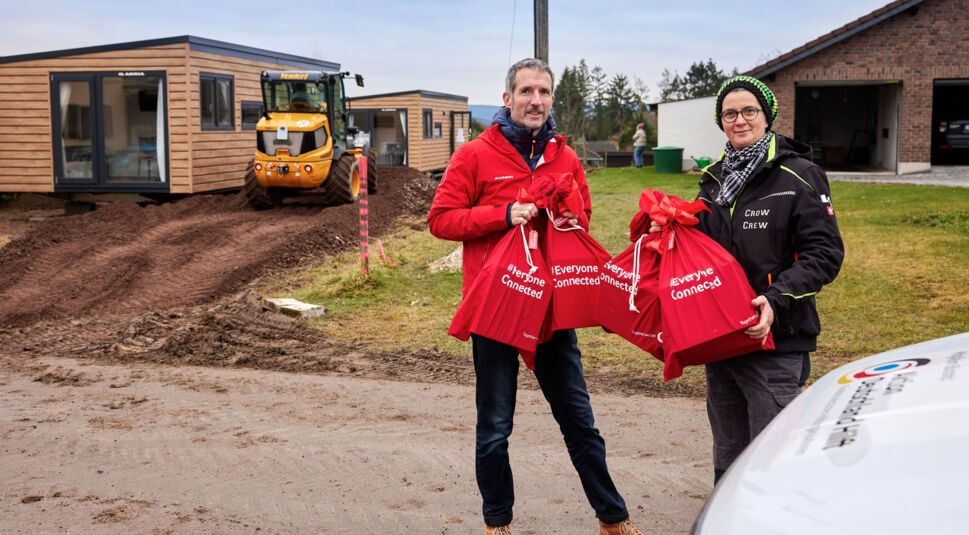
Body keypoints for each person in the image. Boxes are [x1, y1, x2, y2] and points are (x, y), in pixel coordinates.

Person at [427, 58, 644, 535]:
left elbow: (583, 217)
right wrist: (503, 214)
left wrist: (568, 218)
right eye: (526, 91)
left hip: (552, 308)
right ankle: (497, 523)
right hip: (498, 308)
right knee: (495, 430)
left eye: (544, 93)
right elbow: (441, 220)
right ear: (507, 99)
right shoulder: (475, 155)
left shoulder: (563, 157)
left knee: (580, 422)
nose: (536, 101)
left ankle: (613, 518)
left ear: (552, 100)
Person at [653, 75, 844, 484]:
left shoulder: (800, 174)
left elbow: (825, 254)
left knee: (772, 455)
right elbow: (699, 251)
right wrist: (667, 232)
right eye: (729, 114)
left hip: (776, 339)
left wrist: (776, 299)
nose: (740, 120)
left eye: (749, 111)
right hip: (721, 338)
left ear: (768, 116)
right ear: (721, 122)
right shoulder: (714, 180)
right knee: (729, 450)